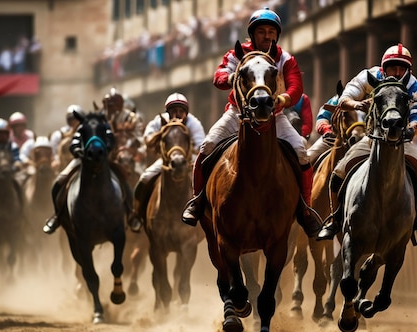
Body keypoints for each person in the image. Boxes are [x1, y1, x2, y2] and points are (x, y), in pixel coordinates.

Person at [180, 7, 322, 238]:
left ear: (277, 35)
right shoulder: (236, 54)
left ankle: (305, 209)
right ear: (252, 34)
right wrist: (232, 77)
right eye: (262, 32)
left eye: (271, 32)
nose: (267, 36)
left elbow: (296, 87)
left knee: (300, 151)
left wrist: (283, 99)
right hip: (237, 113)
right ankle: (197, 201)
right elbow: (218, 77)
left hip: (274, 114)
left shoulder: (285, 58)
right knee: (207, 146)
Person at [317, 43, 417, 252]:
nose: (397, 73)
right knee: (339, 172)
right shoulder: (369, 76)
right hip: (371, 138)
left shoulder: (412, 84)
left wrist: (412, 129)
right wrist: (356, 104)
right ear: (384, 68)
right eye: (393, 68)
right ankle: (334, 220)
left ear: (408, 70)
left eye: (402, 69)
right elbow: (345, 96)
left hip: (402, 140)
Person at [131, 92, 206, 229]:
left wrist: (188, 160)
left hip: (187, 161)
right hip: (166, 161)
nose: (177, 114)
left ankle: (209, 215)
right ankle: (136, 214)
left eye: (180, 111)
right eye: (173, 111)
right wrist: (159, 135)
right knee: (145, 177)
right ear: (168, 112)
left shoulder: (193, 123)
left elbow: (201, 147)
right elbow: (147, 138)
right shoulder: (159, 121)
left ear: (186, 113)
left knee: (205, 180)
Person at [50, 104, 83, 169]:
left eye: (76, 119)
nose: (74, 121)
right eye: (71, 119)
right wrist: (57, 160)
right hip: (65, 165)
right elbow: (54, 152)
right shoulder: (59, 134)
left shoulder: (85, 131)